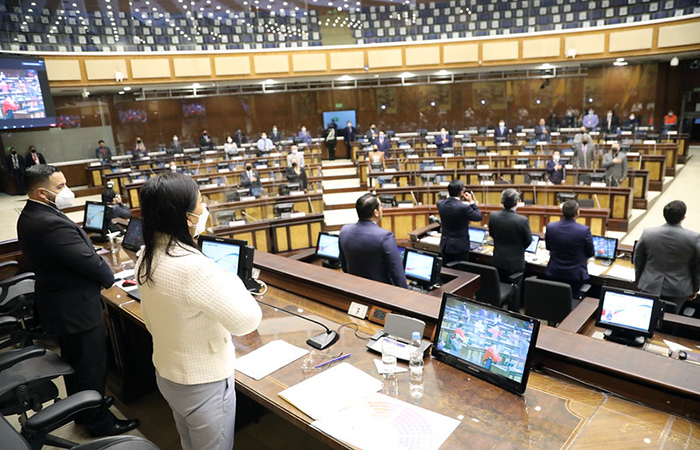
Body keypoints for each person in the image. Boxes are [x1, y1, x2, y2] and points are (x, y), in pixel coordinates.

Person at [136, 172, 262, 450]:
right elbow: (247, 321)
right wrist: (230, 277)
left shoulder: (147, 254)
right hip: (203, 383)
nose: (205, 208)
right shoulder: (195, 268)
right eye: (201, 201)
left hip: (169, 373)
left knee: (190, 442)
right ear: (185, 217)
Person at [17, 165, 139, 437]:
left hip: (62, 304)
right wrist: (111, 278)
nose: (66, 191)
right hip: (75, 309)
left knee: (76, 365)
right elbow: (88, 262)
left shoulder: (33, 214)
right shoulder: (48, 223)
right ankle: (98, 423)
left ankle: (82, 410)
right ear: (41, 192)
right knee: (90, 367)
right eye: (60, 187)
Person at [634, 200, 700, 313]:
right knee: (670, 322)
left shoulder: (648, 233)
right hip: (679, 289)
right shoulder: (694, 238)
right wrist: (695, 288)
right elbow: (698, 267)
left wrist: (639, 281)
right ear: (683, 217)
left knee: (646, 317)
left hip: (649, 285)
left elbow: (638, 259)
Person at [339, 193, 408, 288]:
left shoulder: (344, 231)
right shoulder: (385, 237)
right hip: (379, 293)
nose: (382, 209)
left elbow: (344, 267)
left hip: (355, 289)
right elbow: (398, 276)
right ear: (376, 212)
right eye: (381, 206)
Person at [488, 188, 532, 311]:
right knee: (515, 293)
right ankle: (514, 312)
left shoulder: (493, 216)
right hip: (515, 264)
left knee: (499, 287)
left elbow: (492, 234)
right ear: (517, 202)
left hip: (498, 260)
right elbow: (528, 241)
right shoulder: (522, 220)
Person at [545, 200, 594, 299]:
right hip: (575, 276)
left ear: (562, 212)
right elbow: (590, 252)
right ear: (577, 213)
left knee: (555, 298)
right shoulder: (584, 230)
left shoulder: (551, 227)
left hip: (554, 272)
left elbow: (548, 247)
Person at [437, 179, 482, 264]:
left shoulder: (440, 204)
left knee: (447, 271)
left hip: (445, 245)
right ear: (461, 192)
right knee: (461, 273)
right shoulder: (463, 207)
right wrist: (471, 202)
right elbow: (478, 217)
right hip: (459, 248)